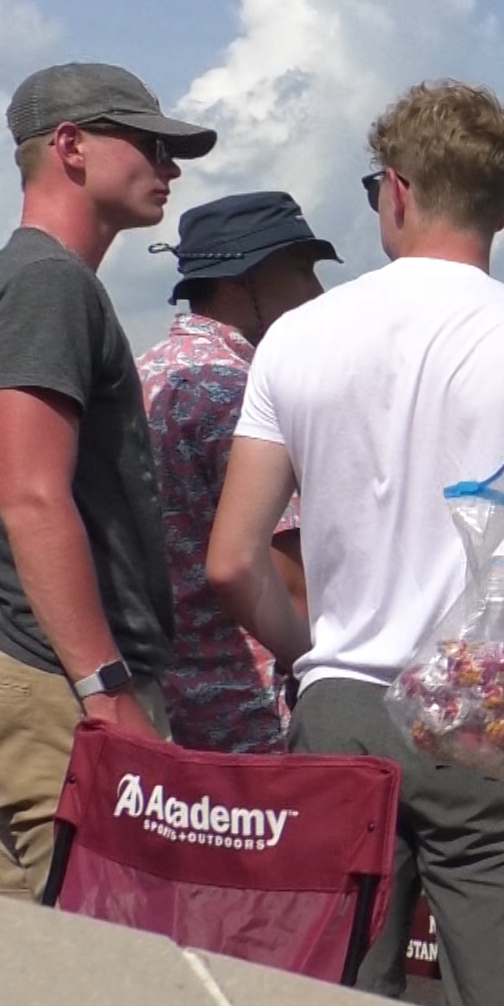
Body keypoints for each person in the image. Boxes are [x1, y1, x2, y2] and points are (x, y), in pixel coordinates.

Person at [207, 80, 504, 1006]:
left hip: (339, 715)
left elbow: (232, 561)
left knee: (329, 996)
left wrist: (319, 666)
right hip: (488, 717)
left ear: (396, 191)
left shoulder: (296, 337)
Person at [0, 62, 215, 900]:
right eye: (149, 144)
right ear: (69, 146)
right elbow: (31, 497)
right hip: (55, 677)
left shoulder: (41, 281)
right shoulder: (48, 284)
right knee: (89, 962)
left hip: (36, 666)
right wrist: (106, 689)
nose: (169, 168)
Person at [139, 192, 336, 753]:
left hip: (161, 708)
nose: (316, 294)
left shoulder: (142, 374)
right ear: (240, 282)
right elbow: (286, 577)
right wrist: (318, 670)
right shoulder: (239, 395)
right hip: (248, 714)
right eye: (299, 271)